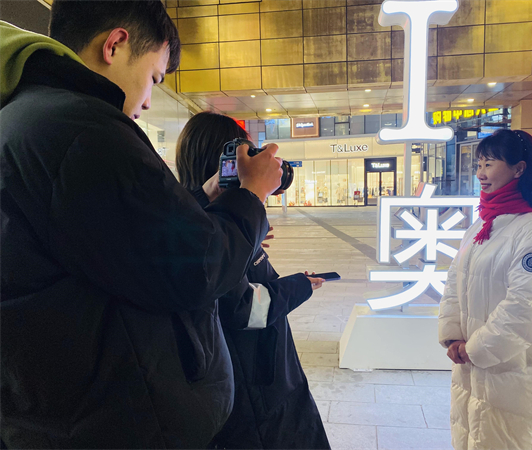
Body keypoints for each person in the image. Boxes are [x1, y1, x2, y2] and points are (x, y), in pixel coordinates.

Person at [0, 1, 284, 448]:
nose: (149, 100)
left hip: (61, 414)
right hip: (111, 424)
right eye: (154, 77)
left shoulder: (28, 118)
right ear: (115, 44)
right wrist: (251, 196)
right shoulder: (84, 130)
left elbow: (124, 241)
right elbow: (197, 269)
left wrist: (203, 198)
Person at [176, 112, 331, 450]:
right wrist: (301, 285)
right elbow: (245, 308)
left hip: (261, 387)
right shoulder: (207, 230)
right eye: (246, 154)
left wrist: (244, 228)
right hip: (260, 398)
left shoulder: (199, 219)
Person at [438, 129, 532, 450]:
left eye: (489, 164)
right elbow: (455, 283)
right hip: (477, 371)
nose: (480, 174)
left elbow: (526, 310)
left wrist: (475, 349)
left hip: (519, 377)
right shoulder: (484, 226)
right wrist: (453, 336)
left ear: (519, 169)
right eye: (478, 165)